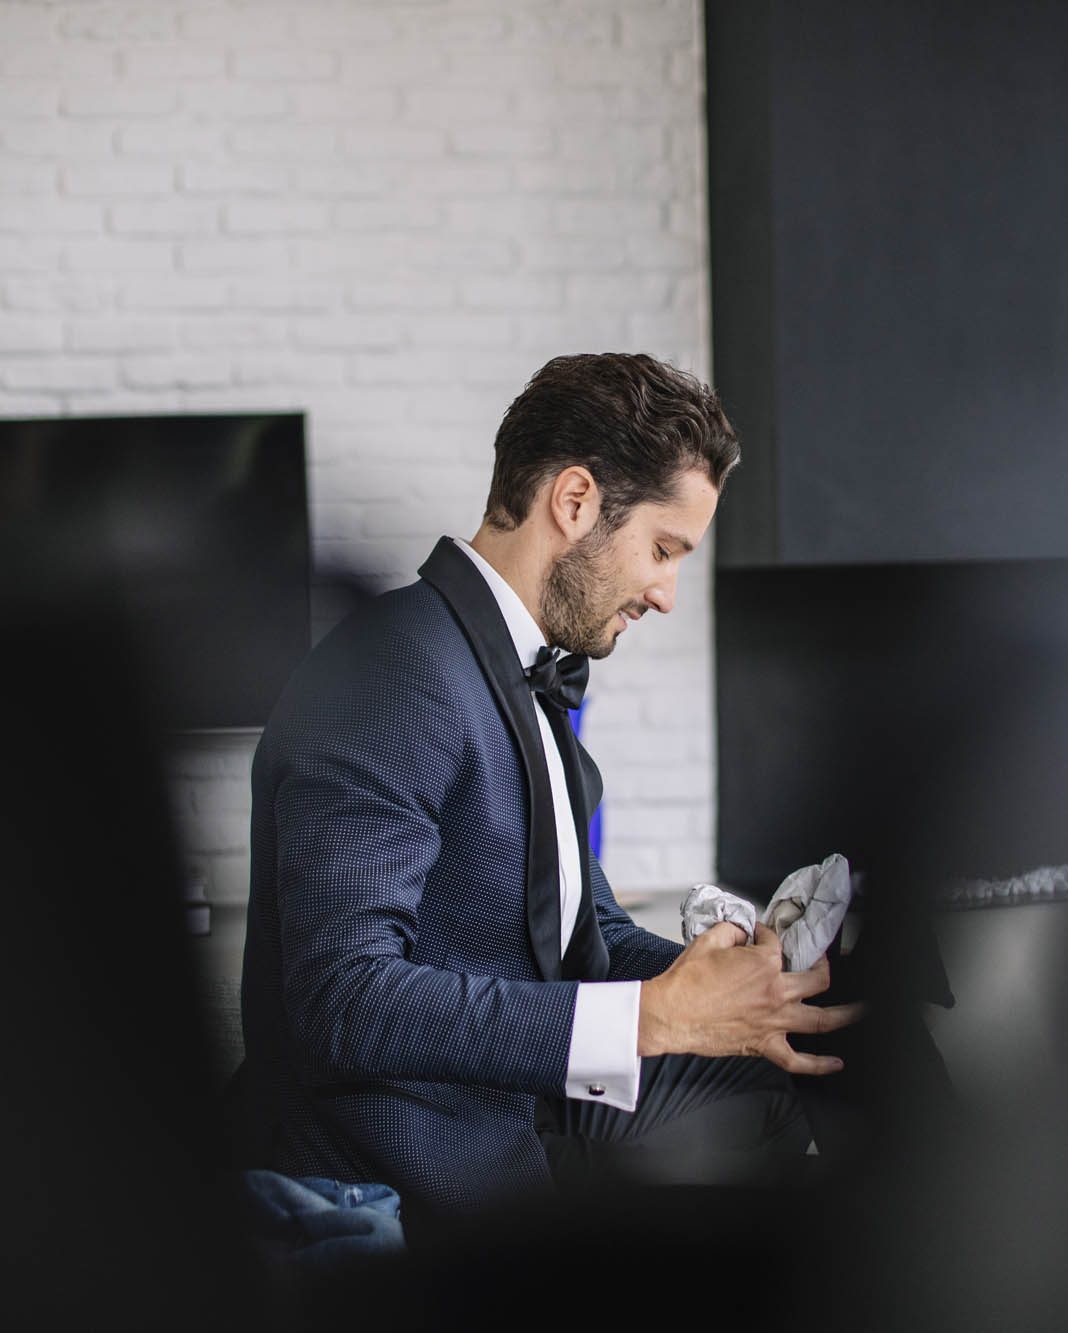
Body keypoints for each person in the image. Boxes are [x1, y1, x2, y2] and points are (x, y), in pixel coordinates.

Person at [236, 353, 862, 1222]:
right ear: (574, 503)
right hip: (412, 1165)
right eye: (662, 548)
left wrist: (730, 987)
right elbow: (339, 997)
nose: (667, 592)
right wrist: (653, 1018)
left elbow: (582, 929)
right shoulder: (391, 672)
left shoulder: (524, 674)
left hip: (518, 1114)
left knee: (835, 1042)